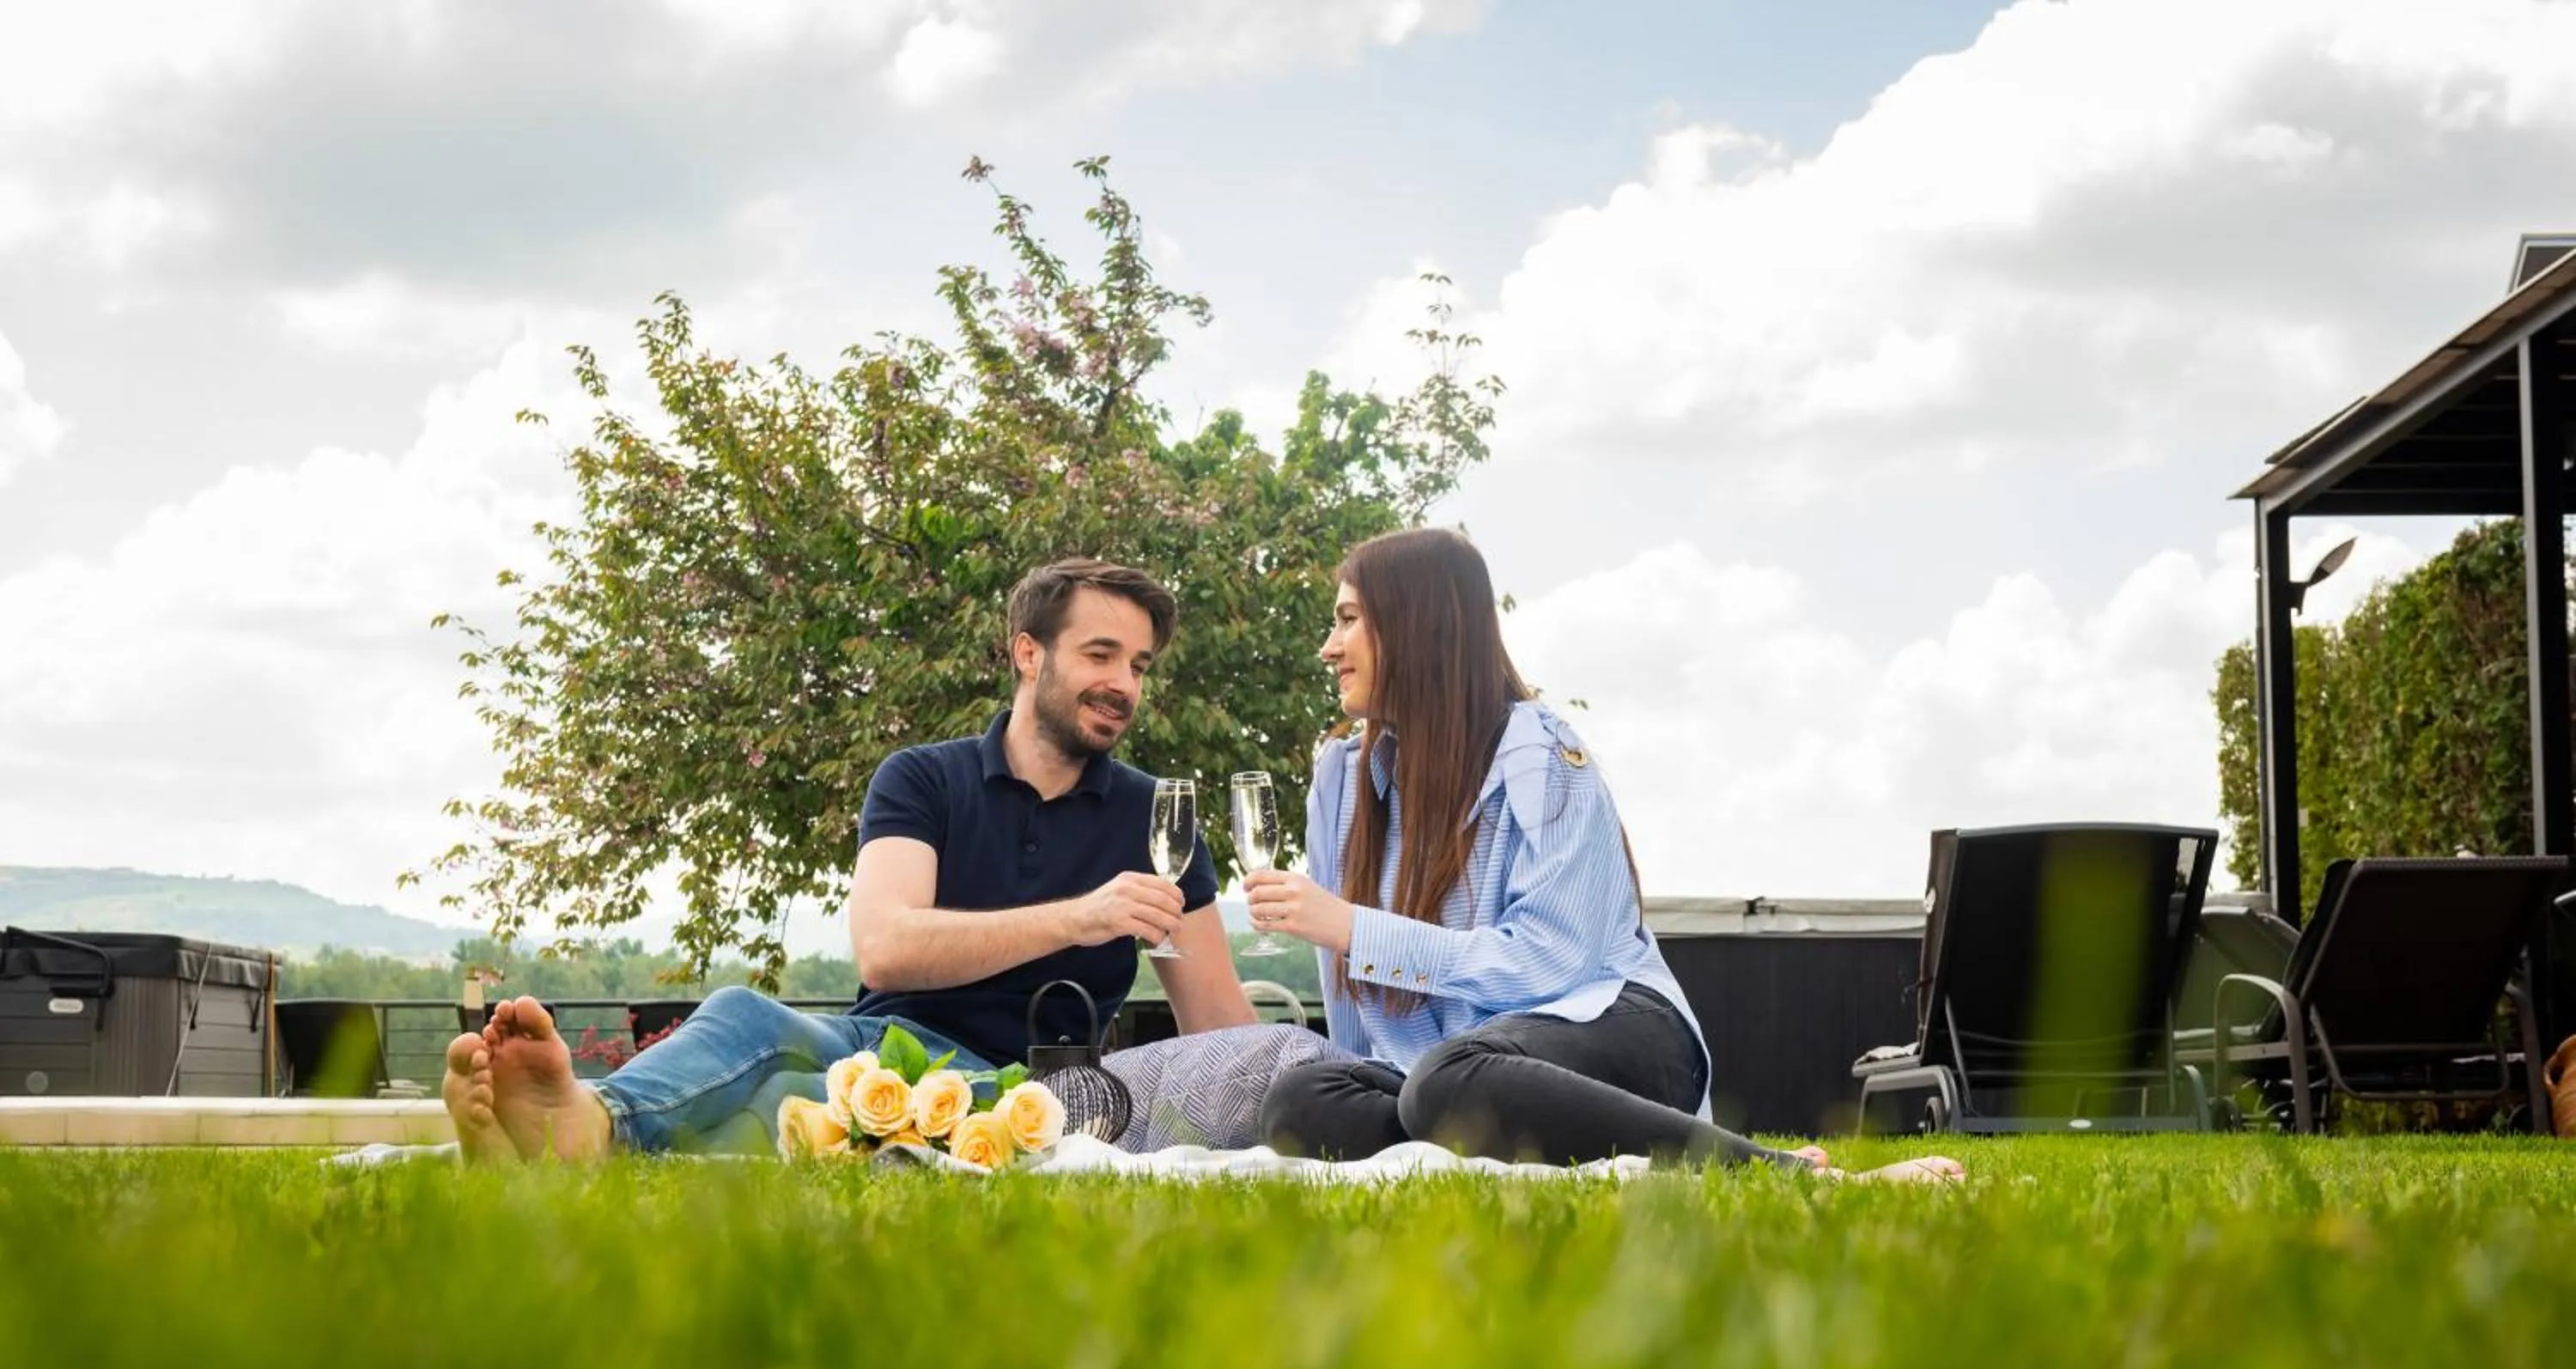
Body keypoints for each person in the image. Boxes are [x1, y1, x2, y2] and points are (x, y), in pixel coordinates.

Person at [443, 557, 1323, 1162]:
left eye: (1138, 664)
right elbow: (888, 949)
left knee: (777, 1114)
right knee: (750, 1023)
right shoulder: (924, 779)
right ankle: (587, 1121)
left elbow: (1219, 1022)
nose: (1124, 684)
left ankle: (567, 1135)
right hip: (877, 1050)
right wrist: (1083, 915)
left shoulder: (1153, 814)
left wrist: (1317, 1089)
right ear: (1028, 652)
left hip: (1031, 1089)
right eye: (1101, 654)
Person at [1246, 527, 1963, 1183]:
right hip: (1459, 1069)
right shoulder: (1341, 780)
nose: (1328, 648)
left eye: (1347, 620)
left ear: (1417, 624)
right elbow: (1350, 998)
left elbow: (1549, 964)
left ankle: (1787, 1175)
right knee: (1304, 1097)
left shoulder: (1537, 751)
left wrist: (1356, 929)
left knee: (1446, 1082)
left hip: (1608, 1025)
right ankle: (1454, 1137)